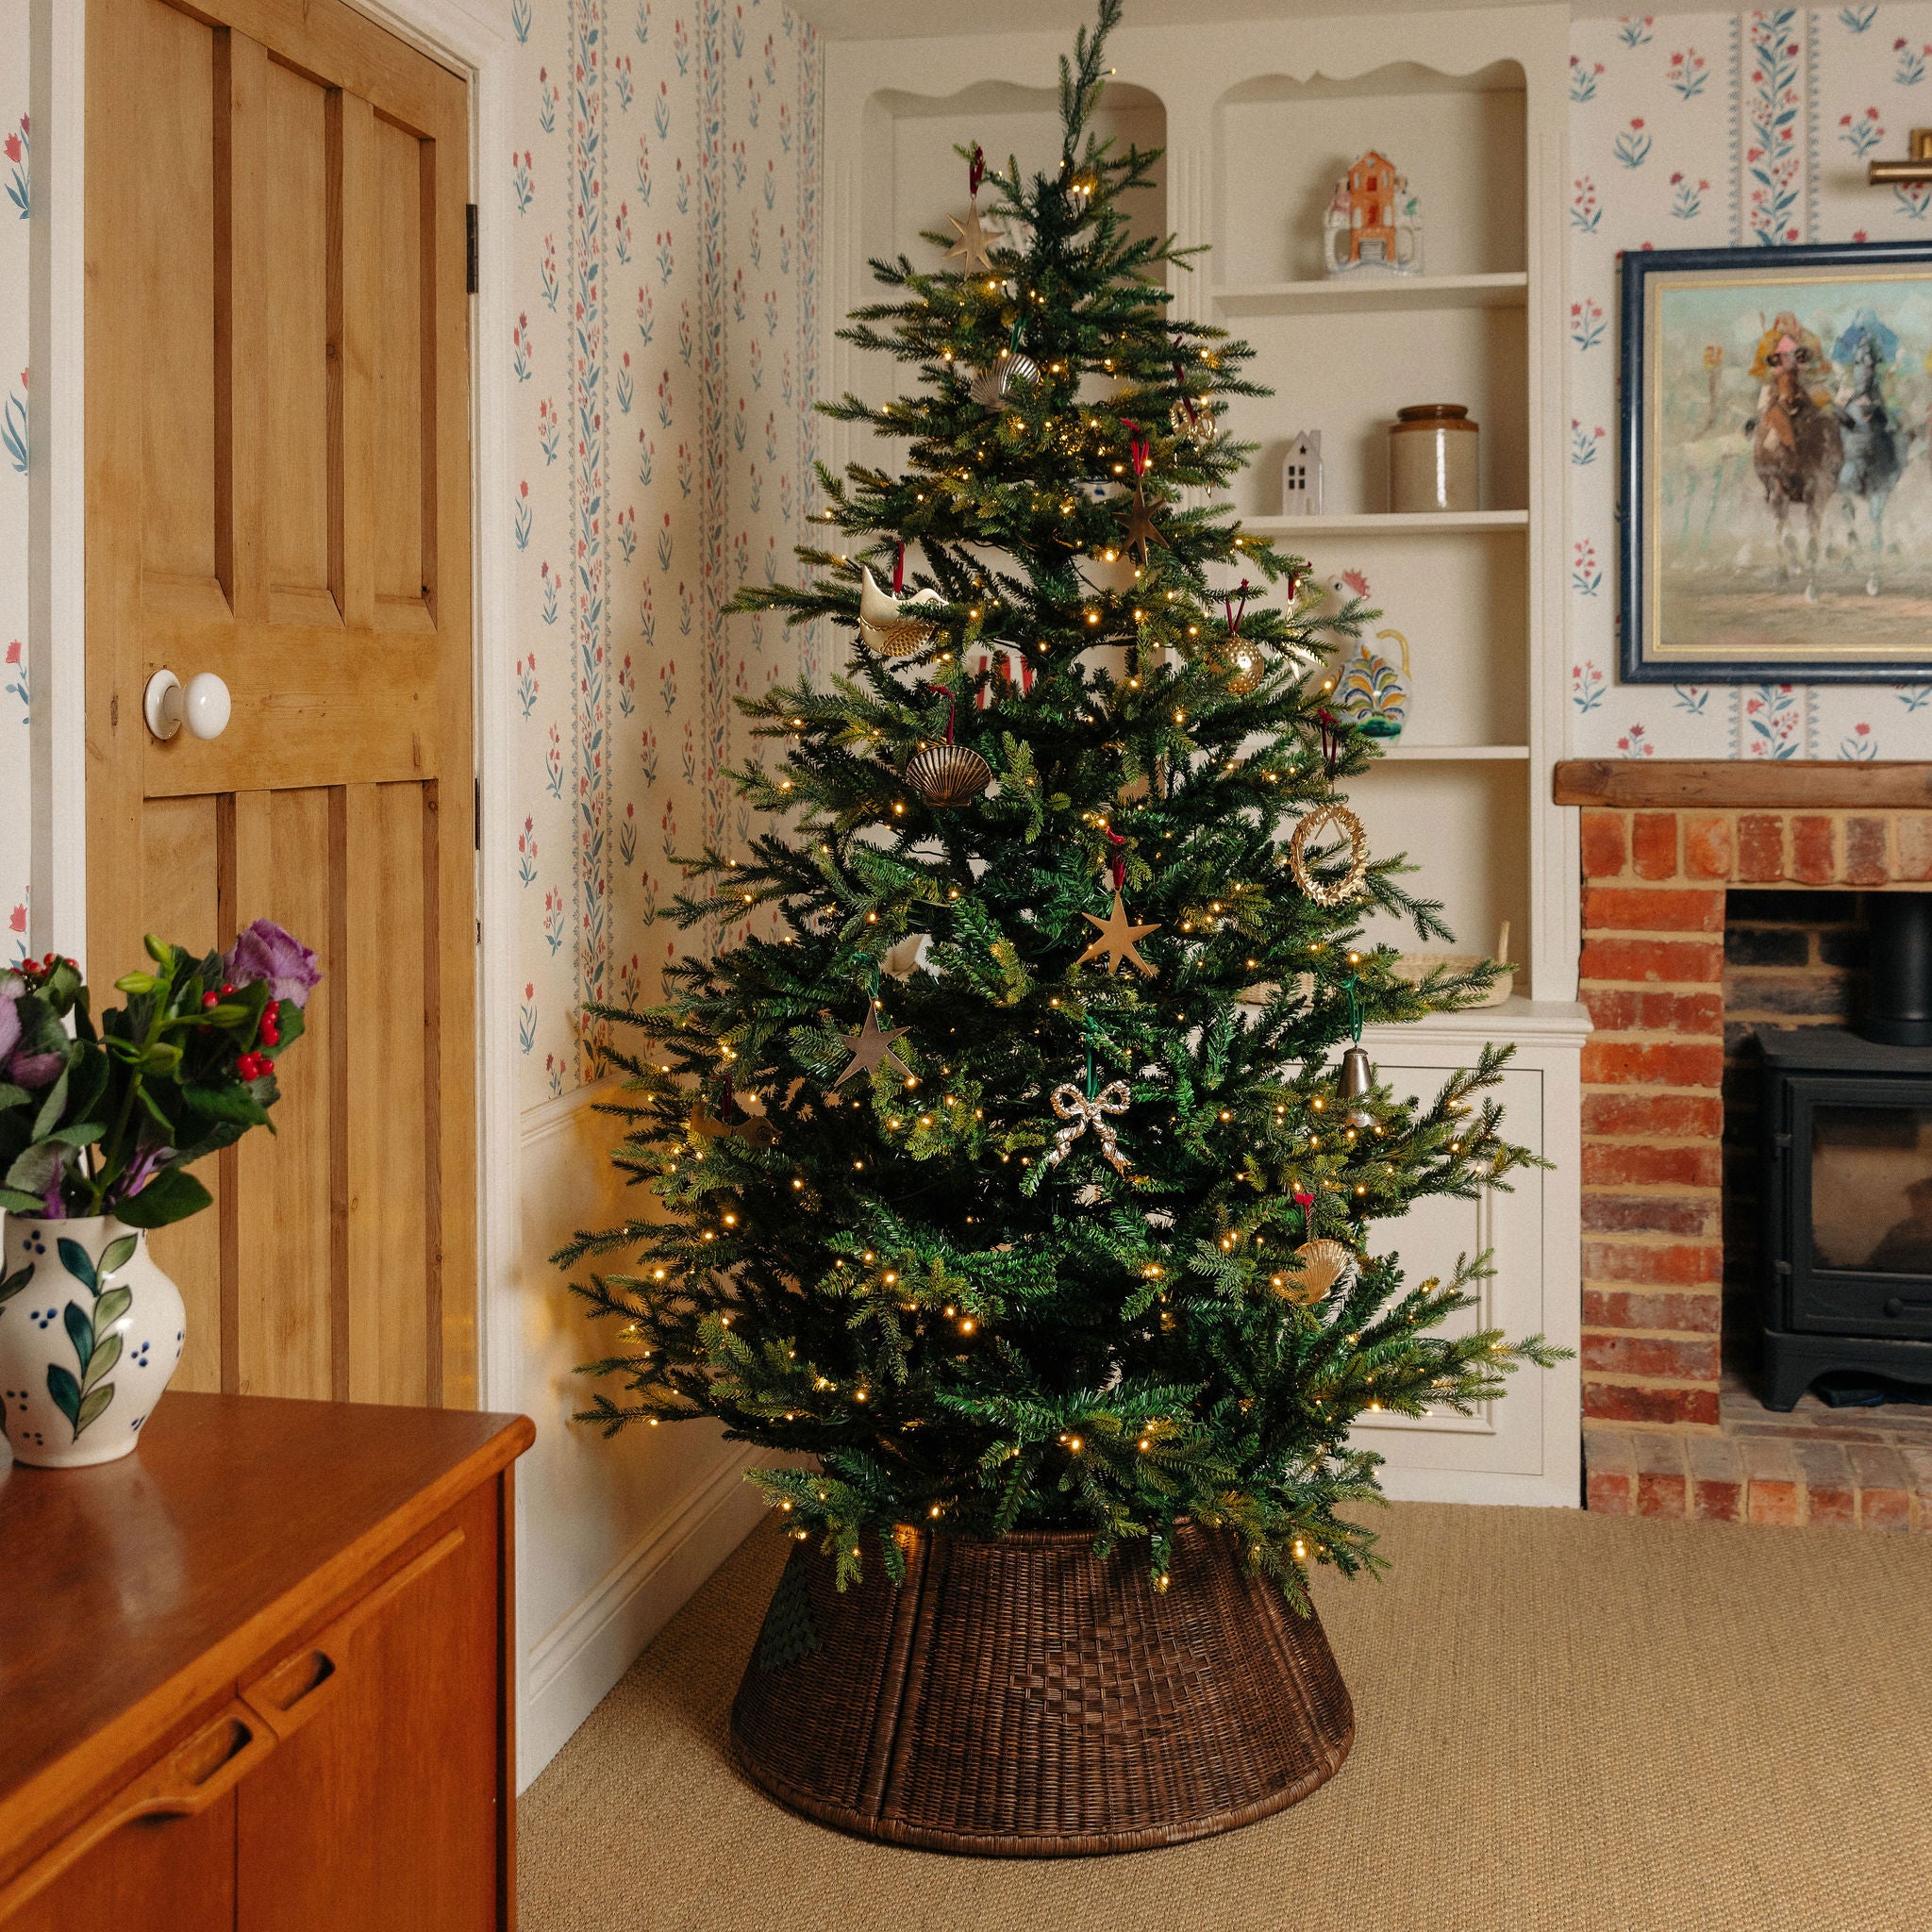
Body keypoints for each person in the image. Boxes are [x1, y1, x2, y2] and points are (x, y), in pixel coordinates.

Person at [1864, 1173, 1932, 1274]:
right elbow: (1874, 1263)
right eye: (1914, 1197)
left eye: (1922, 1197)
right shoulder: (1901, 1230)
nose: (1916, 1203)